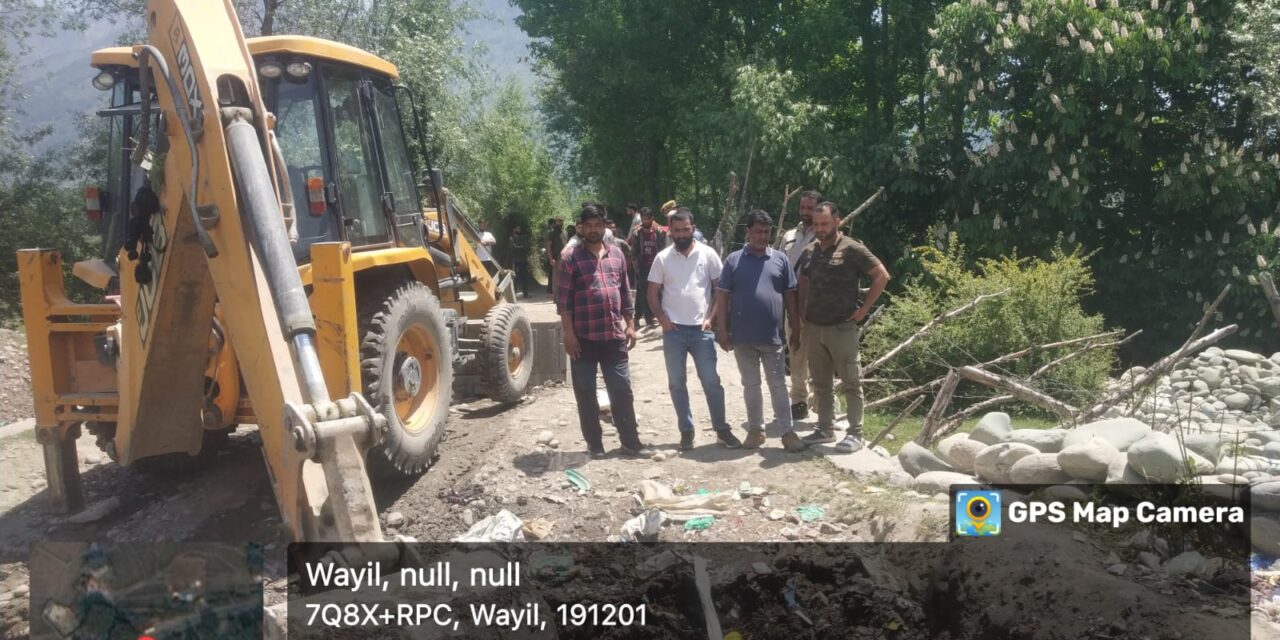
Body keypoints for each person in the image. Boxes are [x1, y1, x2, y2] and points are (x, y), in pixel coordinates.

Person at [557, 204, 655, 459]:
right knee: (586, 391)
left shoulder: (617, 255)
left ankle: (631, 443)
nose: (593, 230)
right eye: (588, 225)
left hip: (613, 337)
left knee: (622, 390)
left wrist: (631, 324)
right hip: (583, 339)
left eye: (598, 225)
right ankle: (595, 445)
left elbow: (624, 292)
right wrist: (568, 334)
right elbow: (564, 302)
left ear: (604, 226)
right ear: (580, 228)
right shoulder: (571, 258)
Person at [796, 201, 890, 452]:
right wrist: (802, 310)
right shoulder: (810, 251)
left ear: (837, 221)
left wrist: (864, 309)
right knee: (821, 383)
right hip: (815, 327)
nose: (820, 228)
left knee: (851, 380)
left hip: (842, 327)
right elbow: (803, 280)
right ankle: (824, 429)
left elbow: (881, 275)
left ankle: (855, 433)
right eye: (816, 224)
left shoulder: (852, 249)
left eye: (825, 223)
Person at [647, 208, 740, 450]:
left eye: (685, 229)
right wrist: (662, 320)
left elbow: (721, 290)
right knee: (677, 383)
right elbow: (651, 293)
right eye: (676, 230)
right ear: (671, 231)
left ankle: (722, 429)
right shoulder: (663, 258)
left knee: (711, 381)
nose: (681, 234)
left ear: (693, 227)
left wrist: (712, 319)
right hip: (673, 332)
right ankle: (686, 431)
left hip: (702, 331)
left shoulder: (708, 255)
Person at [715, 210, 806, 452]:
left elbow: (790, 296)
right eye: (758, 231)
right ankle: (756, 431)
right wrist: (722, 330)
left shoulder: (780, 260)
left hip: (772, 336)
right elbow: (722, 297)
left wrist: (796, 328)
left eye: (766, 232)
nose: (762, 237)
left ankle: (787, 433)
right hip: (743, 337)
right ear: (748, 232)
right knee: (751, 384)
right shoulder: (733, 260)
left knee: (777, 384)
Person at [781, 190, 822, 420]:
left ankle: (822, 400)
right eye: (803, 208)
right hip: (793, 303)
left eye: (810, 208)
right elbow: (779, 264)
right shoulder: (788, 236)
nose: (805, 212)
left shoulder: (825, 234)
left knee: (822, 355)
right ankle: (798, 399)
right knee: (796, 351)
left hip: (818, 305)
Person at [629, 207, 666, 328]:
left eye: (646, 219)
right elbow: (633, 251)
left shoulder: (658, 232)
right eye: (643, 219)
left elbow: (663, 247)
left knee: (658, 292)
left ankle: (657, 314)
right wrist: (636, 266)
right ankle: (648, 318)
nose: (644, 221)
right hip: (643, 267)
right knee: (644, 293)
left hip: (656, 266)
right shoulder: (637, 233)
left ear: (652, 219)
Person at [509, 225, 531, 297]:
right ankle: (514, 294)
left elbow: (526, 247)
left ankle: (526, 294)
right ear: (514, 229)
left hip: (523, 260)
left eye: (519, 228)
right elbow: (512, 248)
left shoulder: (523, 237)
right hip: (515, 261)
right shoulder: (511, 238)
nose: (519, 230)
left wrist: (518, 247)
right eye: (517, 228)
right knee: (515, 277)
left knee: (524, 277)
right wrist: (520, 247)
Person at [544, 218, 564, 294]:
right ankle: (555, 295)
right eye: (558, 221)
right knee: (555, 277)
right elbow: (548, 246)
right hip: (556, 258)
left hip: (564, 258)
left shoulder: (563, 232)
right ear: (555, 222)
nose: (560, 223)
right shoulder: (552, 232)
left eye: (561, 221)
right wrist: (551, 258)